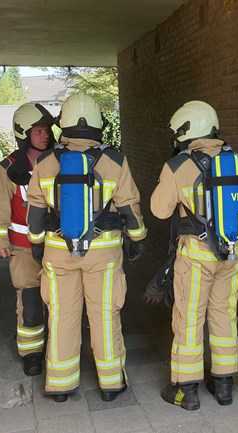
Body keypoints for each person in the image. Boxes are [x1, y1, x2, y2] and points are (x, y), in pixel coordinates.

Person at [26, 92, 147, 403]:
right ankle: (111, 384)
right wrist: (138, 240)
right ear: (98, 124)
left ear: (63, 125)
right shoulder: (115, 161)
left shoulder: (44, 162)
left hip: (57, 253)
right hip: (103, 255)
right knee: (105, 314)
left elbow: (36, 211)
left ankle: (61, 385)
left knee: (62, 315)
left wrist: (38, 247)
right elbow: (129, 208)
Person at [150, 100, 238, 410]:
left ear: (186, 131)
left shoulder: (178, 166)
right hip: (232, 254)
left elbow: (159, 211)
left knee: (189, 318)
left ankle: (186, 390)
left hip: (196, 258)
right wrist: (225, 228)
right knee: (225, 315)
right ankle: (224, 386)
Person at [0, 102, 57, 377]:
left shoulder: (60, 162)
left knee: (58, 301)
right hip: (24, 248)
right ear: (23, 133)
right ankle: (32, 354)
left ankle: (58, 348)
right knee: (30, 303)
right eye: (38, 130)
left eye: (47, 130)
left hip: (56, 246)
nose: (45, 135)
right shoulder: (8, 169)